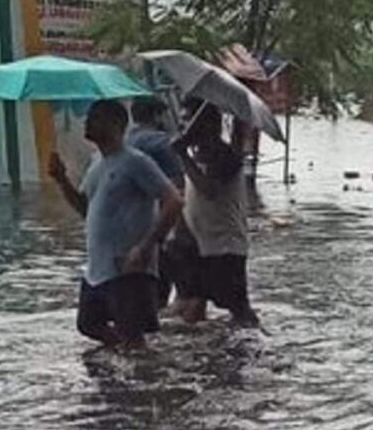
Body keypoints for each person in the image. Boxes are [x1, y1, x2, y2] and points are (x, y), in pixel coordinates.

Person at [48, 100, 184, 350]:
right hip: (98, 269)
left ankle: (141, 376)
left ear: (115, 124)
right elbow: (86, 209)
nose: (87, 123)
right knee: (88, 324)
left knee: (132, 333)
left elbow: (174, 201)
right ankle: (122, 364)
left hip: (128, 267)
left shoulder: (135, 161)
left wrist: (145, 248)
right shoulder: (97, 163)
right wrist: (61, 180)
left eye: (94, 118)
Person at [169, 100, 260, 328]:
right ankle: (205, 354)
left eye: (189, 122)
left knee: (238, 309)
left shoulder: (226, 156)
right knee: (191, 303)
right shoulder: (199, 155)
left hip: (225, 245)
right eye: (182, 123)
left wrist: (183, 155)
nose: (185, 129)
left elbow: (210, 190)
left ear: (209, 125)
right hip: (199, 243)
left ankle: (255, 347)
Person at [127, 97, 185, 309]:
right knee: (161, 288)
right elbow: (178, 186)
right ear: (158, 115)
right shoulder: (162, 143)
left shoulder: (124, 142)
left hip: (127, 225)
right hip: (158, 225)